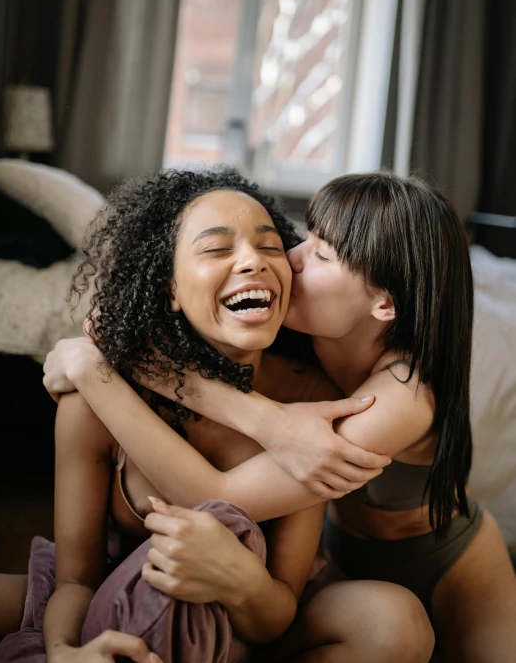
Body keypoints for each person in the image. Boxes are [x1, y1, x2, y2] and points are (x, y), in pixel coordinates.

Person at [44, 171, 516, 662]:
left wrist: (95, 366)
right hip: (340, 557)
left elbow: (222, 497)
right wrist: (108, 359)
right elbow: (208, 350)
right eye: (305, 238)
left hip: (449, 562)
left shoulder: (403, 397)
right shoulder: (307, 334)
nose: (288, 257)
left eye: (321, 254)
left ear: (384, 304)